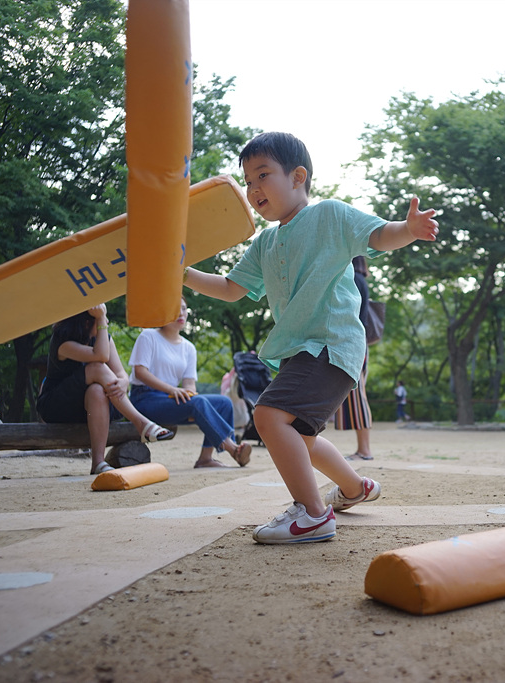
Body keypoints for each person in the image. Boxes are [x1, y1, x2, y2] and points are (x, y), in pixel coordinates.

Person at [183, 131, 439, 544]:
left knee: (269, 417)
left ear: (298, 176)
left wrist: (408, 229)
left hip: (331, 343)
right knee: (300, 436)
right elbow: (231, 288)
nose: (253, 188)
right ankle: (354, 487)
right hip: (300, 351)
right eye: (247, 181)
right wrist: (182, 273)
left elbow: (378, 235)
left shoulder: (329, 216)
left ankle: (314, 515)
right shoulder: (265, 243)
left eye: (263, 175)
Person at [36, 304, 174, 475]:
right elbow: (100, 356)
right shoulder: (62, 341)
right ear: (87, 322)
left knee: (96, 390)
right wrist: (101, 318)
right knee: (96, 368)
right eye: (102, 318)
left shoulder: (103, 339)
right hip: (57, 406)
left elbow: (121, 374)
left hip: (93, 408)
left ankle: (98, 463)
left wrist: (123, 382)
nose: (106, 321)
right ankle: (141, 423)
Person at [129, 298, 251, 469]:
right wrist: (173, 390)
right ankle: (233, 449)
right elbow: (140, 372)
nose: (181, 313)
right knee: (198, 402)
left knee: (223, 403)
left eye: (184, 309)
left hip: (171, 399)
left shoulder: (188, 347)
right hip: (144, 399)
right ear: (163, 312)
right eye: (175, 309)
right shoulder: (148, 336)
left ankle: (205, 459)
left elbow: (189, 384)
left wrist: (190, 397)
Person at [335, 257, 375, 460]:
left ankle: (364, 450)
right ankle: (363, 449)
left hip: (353, 342)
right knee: (355, 394)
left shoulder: (353, 279)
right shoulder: (359, 280)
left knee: (357, 394)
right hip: (356, 342)